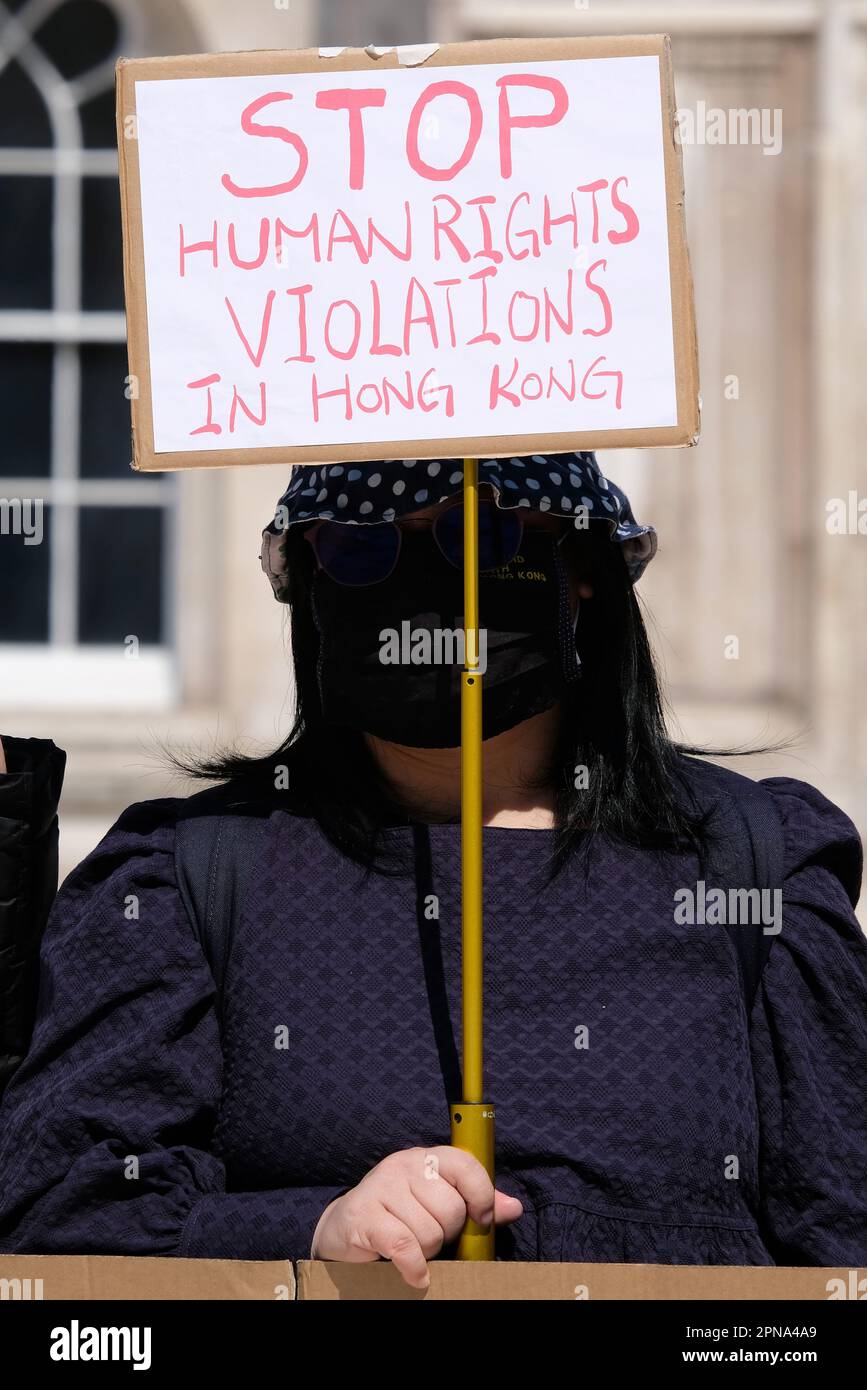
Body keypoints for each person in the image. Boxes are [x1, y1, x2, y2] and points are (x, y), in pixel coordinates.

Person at [0, 452, 865, 1289]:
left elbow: (843, 1236)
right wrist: (311, 1230)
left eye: (478, 534)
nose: (422, 580)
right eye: (360, 543)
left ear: (583, 564)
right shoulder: (191, 878)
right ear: (304, 577)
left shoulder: (754, 862)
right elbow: (61, 1216)